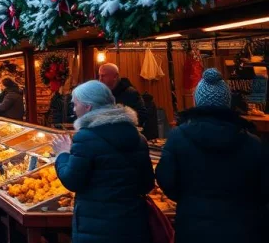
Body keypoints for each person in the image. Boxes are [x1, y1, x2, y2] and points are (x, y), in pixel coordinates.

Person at [155, 69, 264, 243]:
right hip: (242, 228)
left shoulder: (179, 137)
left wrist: (188, 198)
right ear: (227, 102)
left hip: (193, 226)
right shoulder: (253, 142)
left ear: (197, 101)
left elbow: (166, 179)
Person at [52, 80, 154, 243]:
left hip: (96, 227)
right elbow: (147, 184)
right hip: (133, 224)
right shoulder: (139, 138)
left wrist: (62, 154)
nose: (74, 109)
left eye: (75, 104)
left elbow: (72, 180)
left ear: (88, 107)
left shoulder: (85, 138)